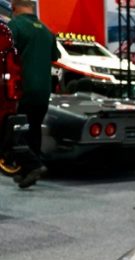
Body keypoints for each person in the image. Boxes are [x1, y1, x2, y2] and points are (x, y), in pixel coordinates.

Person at [8, 0, 58, 189]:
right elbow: (54, 57)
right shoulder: (47, 31)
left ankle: (33, 164)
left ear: (14, 7)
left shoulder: (14, 26)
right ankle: (28, 172)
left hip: (21, 89)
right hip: (43, 90)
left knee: (13, 131)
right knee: (34, 129)